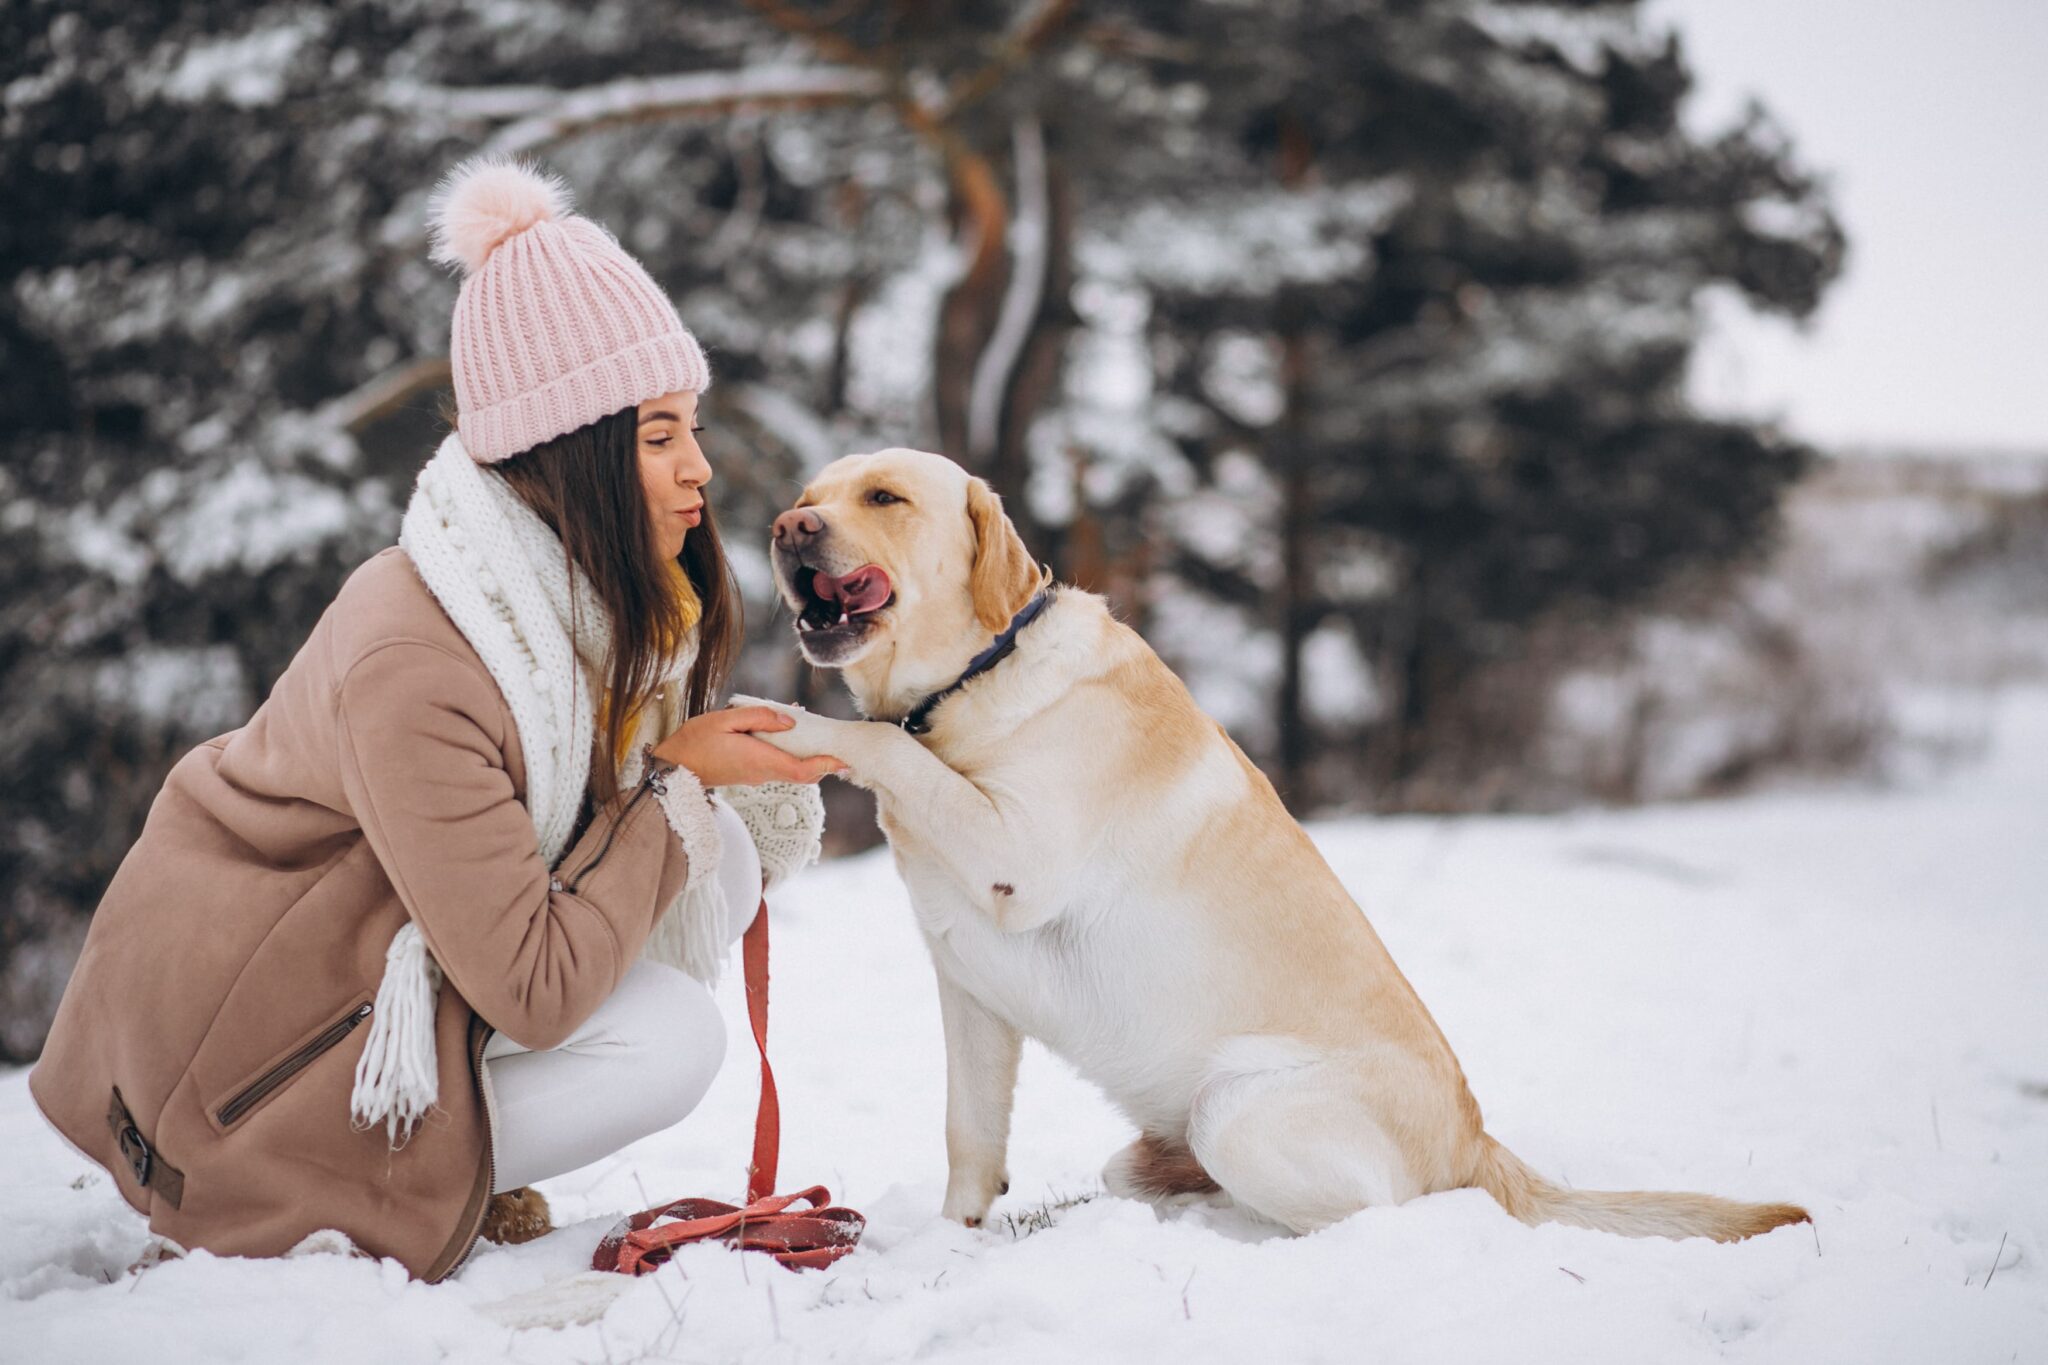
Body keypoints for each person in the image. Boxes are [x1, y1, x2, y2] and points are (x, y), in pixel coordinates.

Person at [28, 156, 843, 1281]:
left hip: (354, 978)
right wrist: (671, 785)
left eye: (689, 427)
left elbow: (567, 860)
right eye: (658, 437)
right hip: (232, 1076)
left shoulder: (546, 599)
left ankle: (440, 1154)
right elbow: (537, 986)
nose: (700, 468)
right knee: (670, 1041)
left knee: (726, 868)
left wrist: (690, 772)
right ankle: (334, 1188)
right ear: (573, 451)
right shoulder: (422, 656)